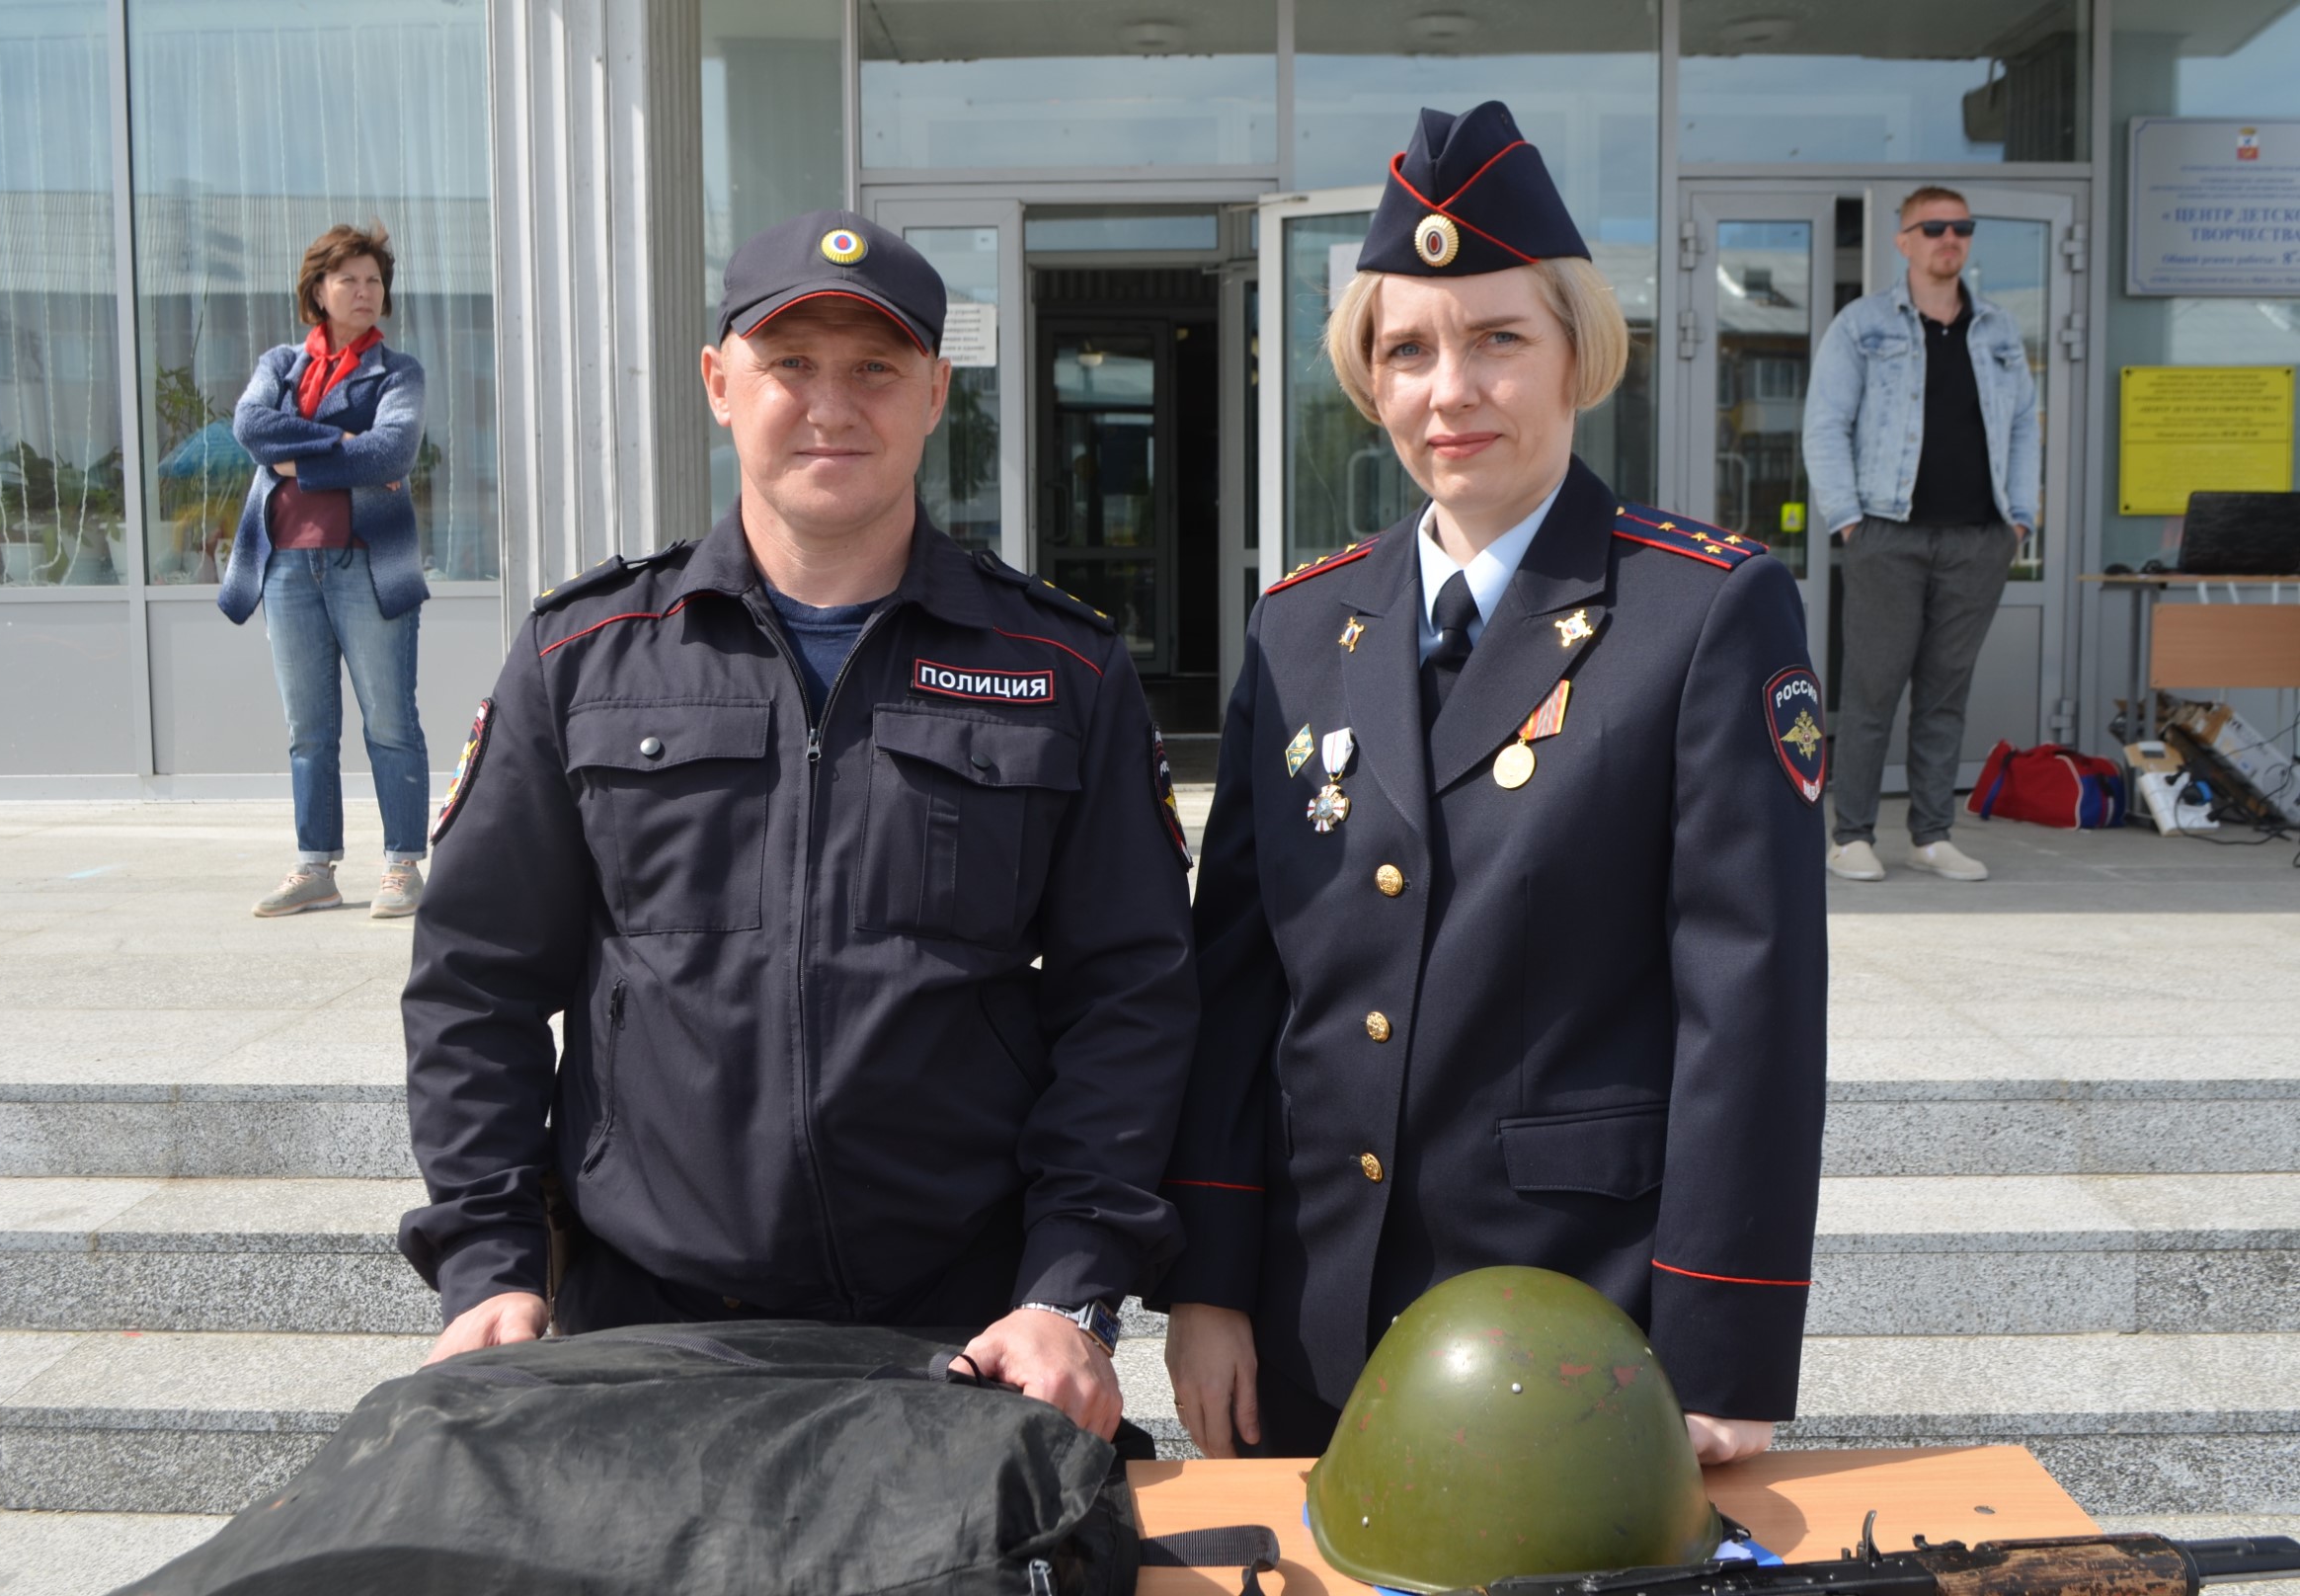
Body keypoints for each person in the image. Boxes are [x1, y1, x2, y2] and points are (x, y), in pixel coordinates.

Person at [398, 210, 1198, 1440]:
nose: (833, 405)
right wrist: (490, 1261)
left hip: (966, 1329)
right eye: (790, 365)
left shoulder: (1059, 669)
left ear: (935, 394)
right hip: (647, 1322)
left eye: (875, 366)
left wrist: (1069, 1287)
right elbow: (476, 981)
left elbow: (1130, 994)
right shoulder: (585, 658)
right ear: (720, 384)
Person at [1153, 103, 1828, 1467]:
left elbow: (1748, 1006)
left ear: (1578, 352)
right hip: (1316, 1312)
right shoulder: (1300, 626)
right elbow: (1236, 988)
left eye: (1497, 339)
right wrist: (1208, 1282)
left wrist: (1722, 1342)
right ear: (1369, 380)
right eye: (1406, 349)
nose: (1449, 389)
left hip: (1581, 1314)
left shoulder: (1702, 613)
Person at [1802, 186, 2041, 884]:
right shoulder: (1863, 324)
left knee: (1945, 694)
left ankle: (1931, 835)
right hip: (1888, 533)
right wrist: (1849, 518)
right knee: (1872, 690)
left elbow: (2024, 426)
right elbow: (1825, 422)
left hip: (1979, 539)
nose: (1949, 238)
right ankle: (1851, 835)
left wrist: (2019, 517)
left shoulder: (1998, 329)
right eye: (1933, 227)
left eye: (1961, 227)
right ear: (1903, 240)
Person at [223, 222, 432, 919]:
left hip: (366, 566)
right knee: (307, 729)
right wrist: (340, 440)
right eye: (349, 279)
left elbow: (390, 453)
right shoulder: (281, 364)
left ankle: (403, 865)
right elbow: (250, 427)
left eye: (374, 280)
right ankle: (316, 866)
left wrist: (297, 461)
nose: (365, 291)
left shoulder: (398, 373)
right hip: (285, 566)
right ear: (318, 290)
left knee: (390, 721)